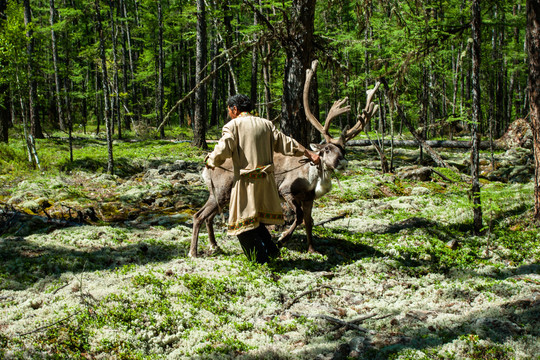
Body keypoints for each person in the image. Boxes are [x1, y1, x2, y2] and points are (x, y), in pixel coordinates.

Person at [205, 94, 320, 264]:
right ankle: (272, 251)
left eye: (229, 110)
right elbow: (286, 143)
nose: (229, 113)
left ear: (235, 109)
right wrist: (308, 153)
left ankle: (261, 260)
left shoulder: (233, 126)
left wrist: (210, 160)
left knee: (242, 225)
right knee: (256, 220)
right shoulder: (266, 124)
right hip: (266, 183)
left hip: (246, 183)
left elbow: (222, 150)